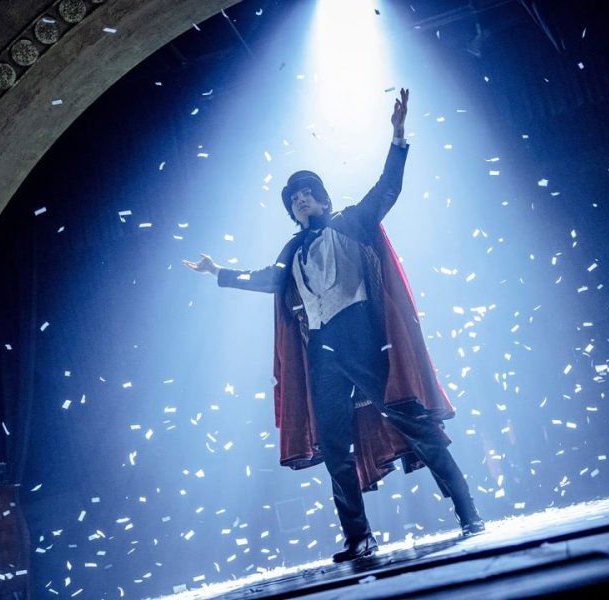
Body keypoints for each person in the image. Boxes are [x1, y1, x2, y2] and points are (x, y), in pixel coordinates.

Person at [183, 88, 484, 562]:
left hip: (361, 335)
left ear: (322, 199)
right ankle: (359, 536)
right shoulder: (291, 251)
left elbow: (388, 189)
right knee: (334, 444)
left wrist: (398, 137)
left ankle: (468, 511)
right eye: (294, 199)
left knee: (412, 423)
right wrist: (218, 271)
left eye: (307, 193)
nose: (302, 200)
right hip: (321, 349)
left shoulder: (351, 222)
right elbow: (268, 281)